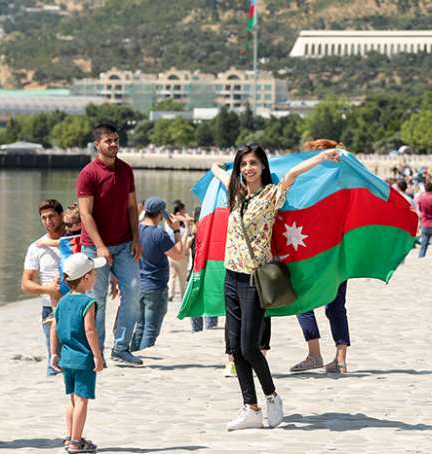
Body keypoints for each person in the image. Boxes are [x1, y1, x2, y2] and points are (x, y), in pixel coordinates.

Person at [210, 143, 339, 431]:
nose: (248, 169)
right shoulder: (237, 193)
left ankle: (271, 397)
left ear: (263, 167)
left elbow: (292, 174)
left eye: (253, 163)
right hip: (231, 276)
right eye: (243, 164)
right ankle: (250, 408)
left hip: (255, 279)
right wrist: (215, 167)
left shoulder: (271, 195)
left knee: (249, 347)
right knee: (233, 349)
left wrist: (320, 157)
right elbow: (221, 175)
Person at [77, 123, 143, 366]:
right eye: (109, 141)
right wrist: (101, 246)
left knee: (135, 292)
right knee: (98, 301)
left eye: (116, 140)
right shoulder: (88, 174)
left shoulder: (126, 170)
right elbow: (85, 214)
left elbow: (132, 207)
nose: (114, 144)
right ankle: (98, 353)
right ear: (97, 144)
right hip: (94, 249)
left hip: (125, 245)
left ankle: (121, 347)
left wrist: (137, 239)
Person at [289, 139, 351, 375]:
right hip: (338, 254)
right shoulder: (342, 185)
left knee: (302, 301)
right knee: (336, 306)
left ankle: (314, 354)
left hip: (312, 252)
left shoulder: (308, 186)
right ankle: (341, 358)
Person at [50, 253, 105, 454]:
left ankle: (70, 436)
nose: (96, 277)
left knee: (73, 399)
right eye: (94, 274)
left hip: (66, 358)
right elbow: (90, 331)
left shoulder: (62, 302)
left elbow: (54, 327)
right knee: (82, 399)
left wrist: (53, 353)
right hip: (83, 359)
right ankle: (75, 442)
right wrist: (98, 356)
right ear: (86, 278)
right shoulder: (87, 303)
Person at [130, 197, 185, 351]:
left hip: (137, 285)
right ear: (161, 214)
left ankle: (134, 354)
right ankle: (146, 358)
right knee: (150, 329)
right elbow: (179, 255)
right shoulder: (159, 234)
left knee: (139, 326)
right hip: (155, 287)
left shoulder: (136, 231)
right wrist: (175, 230)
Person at [21, 199, 65, 376]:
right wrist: (49, 289)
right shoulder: (36, 247)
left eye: (52, 216)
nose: (48, 222)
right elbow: (26, 283)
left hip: (77, 304)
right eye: (44, 218)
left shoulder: (74, 240)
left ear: (61, 216)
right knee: (53, 360)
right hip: (50, 308)